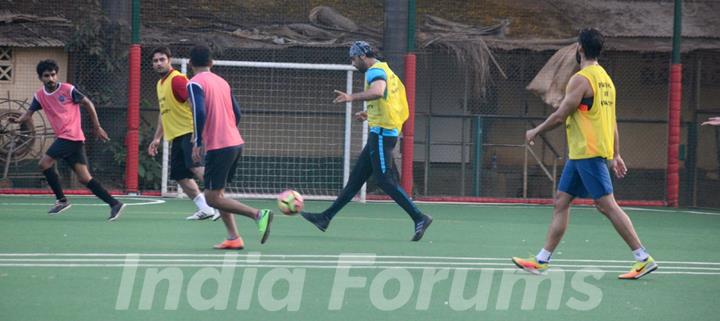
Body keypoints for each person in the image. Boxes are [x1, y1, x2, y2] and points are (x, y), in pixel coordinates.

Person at [511, 28, 657, 279]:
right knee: (561, 201)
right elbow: (611, 121)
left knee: (607, 205)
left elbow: (561, 115)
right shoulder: (606, 80)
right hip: (582, 154)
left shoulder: (581, 79)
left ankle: (643, 258)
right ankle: (542, 260)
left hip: (588, 152)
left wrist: (536, 130)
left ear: (579, 48)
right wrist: (616, 153)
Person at [300, 41, 433, 242]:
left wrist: (351, 97)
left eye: (353, 58)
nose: (353, 63)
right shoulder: (387, 70)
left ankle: (419, 216)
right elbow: (391, 103)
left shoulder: (374, 72)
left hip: (381, 134)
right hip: (382, 131)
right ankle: (325, 217)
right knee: (355, 180)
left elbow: (378, 92)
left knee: (384, 180)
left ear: (362, 56)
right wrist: (369, 114)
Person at [9, 59, 125, 221]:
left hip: (70, 136)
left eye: (53, 75)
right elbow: (28, 114)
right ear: (40, 78)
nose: (50, 78)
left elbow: (88, 103)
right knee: (84, 178)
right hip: (70, 140)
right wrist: (18, 120)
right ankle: (114, 203)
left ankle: (61, 201)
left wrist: (97, 127)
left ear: (57, 75)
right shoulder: (40, 96)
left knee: (44, 163)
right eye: (46, 76)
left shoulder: (68, 90)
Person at [186, 45, 273, 249]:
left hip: (220, 146)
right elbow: (238, 113)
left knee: (211, 197)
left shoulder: (194, 83)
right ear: (211, 63)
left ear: (190, 64)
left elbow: (199, 112)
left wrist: (198, 140)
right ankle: (233, 237)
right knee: (218, 193)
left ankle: (258, 214)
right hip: (235, 142)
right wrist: (228, 131)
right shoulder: (223, 82)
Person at [146, 47, 219, 221]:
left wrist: (197, 133)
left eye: (162, 59)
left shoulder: (177, 80)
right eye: (155, 61)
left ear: (169, 60)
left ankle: (221, 203)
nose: (158, 63)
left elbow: (195, 103)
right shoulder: (160, 84)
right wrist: (157, 137)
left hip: (189, 131)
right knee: (180, 175)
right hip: (176, 136)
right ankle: (206, 209)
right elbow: (164, 112)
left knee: (197, 167)